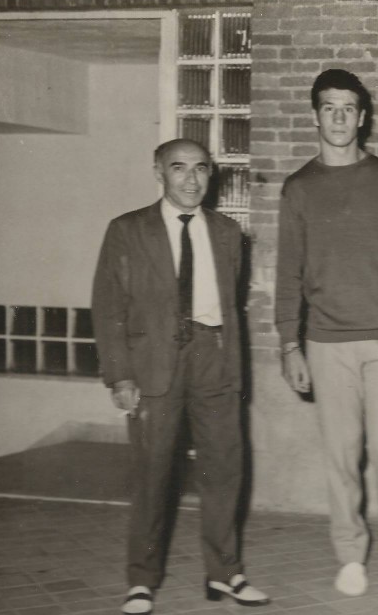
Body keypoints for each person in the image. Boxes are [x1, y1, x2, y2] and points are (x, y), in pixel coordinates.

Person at [274, 68, 378, 597]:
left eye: (348, 108)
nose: (339, 117)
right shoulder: (298, 188)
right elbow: (288, 272)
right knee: (342, 454)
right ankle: (349, 554)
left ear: (362, 117)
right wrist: (289, 342)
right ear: (315, 114)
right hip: (326, 341)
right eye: (329, 107)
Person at [92, 139, 269, 614]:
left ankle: (225, 573)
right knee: (153, 474)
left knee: (224, 471)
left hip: (214, 360)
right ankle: (141, 580)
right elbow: (109, 309)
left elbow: (230, 305)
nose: (191, 180)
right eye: (179, 169)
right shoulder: (128, 230)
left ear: (211, 175)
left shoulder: (229, 232)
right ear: (159, 172)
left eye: (201, 169)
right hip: (154, 366)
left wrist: (233, 367)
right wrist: (120, 376)